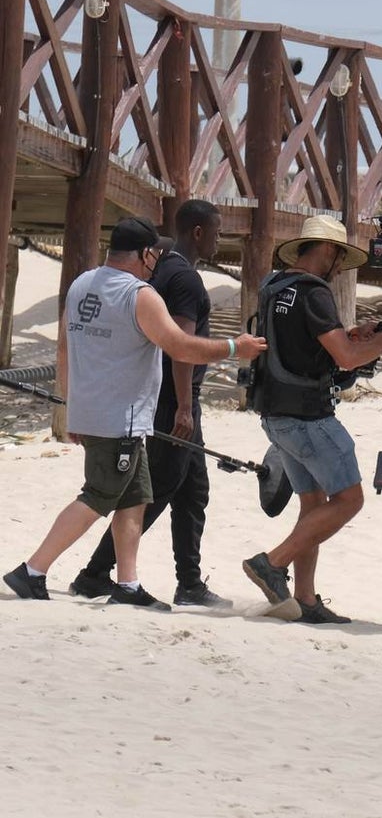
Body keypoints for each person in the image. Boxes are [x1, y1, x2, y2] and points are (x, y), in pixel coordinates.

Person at [3, 217, 266, 607]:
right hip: (118, 417)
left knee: (136, 495)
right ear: (145, 254)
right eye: (155, 255)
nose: (157, 262)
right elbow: (180, 347)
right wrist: (233, 347)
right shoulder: (140, 295)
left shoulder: (81, 283)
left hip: (93, 410)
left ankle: (127, 585)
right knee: (99, 495)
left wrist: (71, 404)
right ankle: (32, 571)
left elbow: (64, 347)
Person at [242, 215, 382, 624]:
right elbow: (347, 359)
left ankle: (305, 599)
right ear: (330, 250)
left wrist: (355, 333)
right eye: (339, 257)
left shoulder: (276, 286)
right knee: (349, 499)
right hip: (308, 417)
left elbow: (305, 345)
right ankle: (272, 562)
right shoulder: (315, 293)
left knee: (313, 504)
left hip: (275, 414)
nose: (339, 267)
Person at [69, 200, 231, 607]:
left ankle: (189, 583)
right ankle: (94, 574)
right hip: (175, 400)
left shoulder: (158, 268)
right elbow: (181, 349)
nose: (220, 238)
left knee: (193, 489)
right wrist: (181, 407)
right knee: (152, 490)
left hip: (159, 395)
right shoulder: (186, 280)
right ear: (198, 232)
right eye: (216, 230)